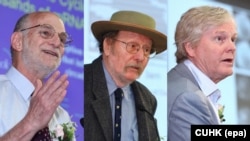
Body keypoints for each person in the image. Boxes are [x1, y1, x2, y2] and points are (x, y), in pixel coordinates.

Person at [84, 10, 167, 141]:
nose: (140, 57)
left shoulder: (147, 99)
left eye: (146, 50)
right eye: (133, 46)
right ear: (108, 45)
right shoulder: (80, 82)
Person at [0, 11, 75, 141]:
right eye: (45, 33)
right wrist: (31, 123)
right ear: (18, 41)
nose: (57, 43)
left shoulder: (62, 116)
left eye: (62, 39)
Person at [167, 6, 237, 141]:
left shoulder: (186, 86)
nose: (232, 47)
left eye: (233, 39)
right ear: (191, 48)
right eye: (219, 38)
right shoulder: (187, 98)